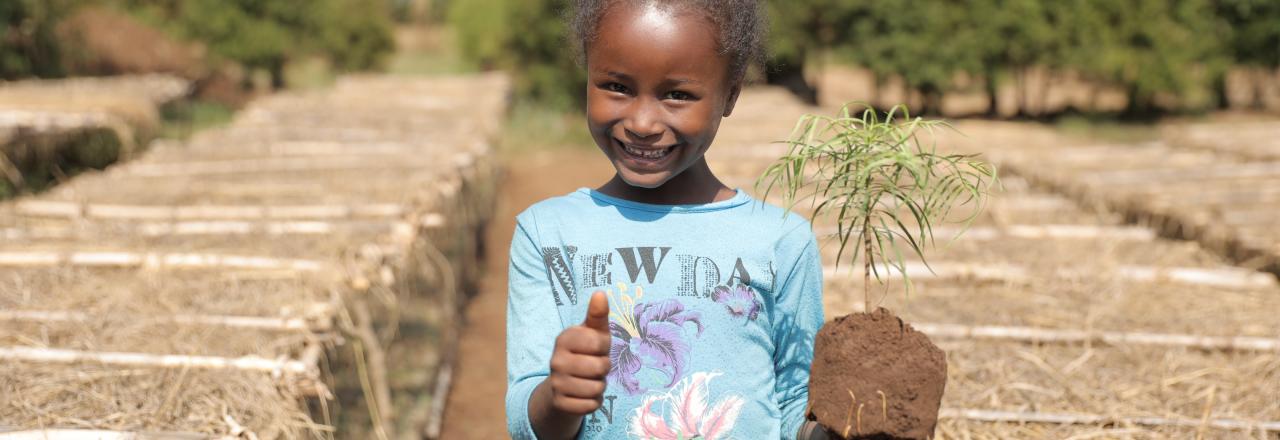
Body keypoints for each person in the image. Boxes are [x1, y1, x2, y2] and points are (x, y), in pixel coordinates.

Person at [505, 1, 826, 438]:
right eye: (616, 86)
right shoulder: (547, 234)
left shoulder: (781, 241)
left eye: (677, 94)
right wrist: (559, 396)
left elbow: (795, 402)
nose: (642, 122)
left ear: (730, 94)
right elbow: (527, 423)